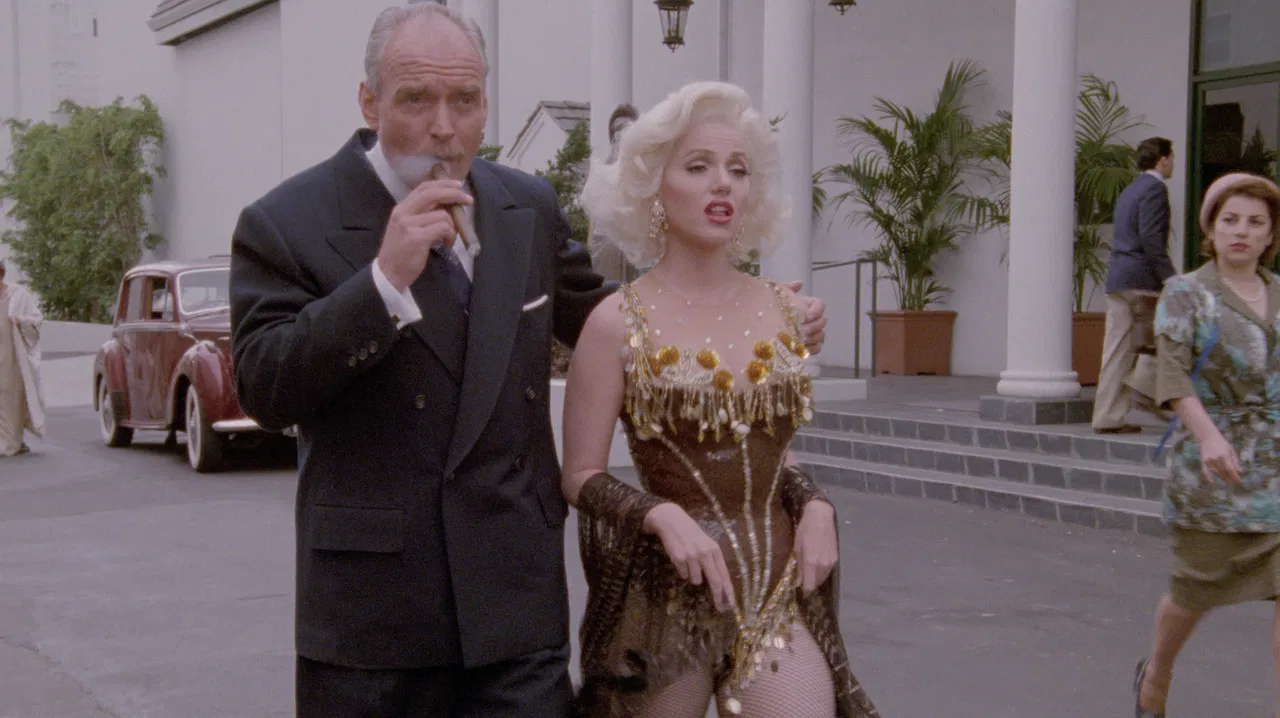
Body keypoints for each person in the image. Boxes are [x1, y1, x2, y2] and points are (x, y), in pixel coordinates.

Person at [228, 5, 829, 716]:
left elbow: (616, 318)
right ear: (369, 101)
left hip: (514, 600)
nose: (444, 127)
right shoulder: (287, 221)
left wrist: (745, 319)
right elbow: (264, 385)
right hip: (373, 615)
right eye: (416, 99)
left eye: (464, 100)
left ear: (486, 104)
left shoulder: (527, 207)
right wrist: (383, 283)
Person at [563, 81, 878, 718]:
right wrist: (660, 514)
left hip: (774, 592)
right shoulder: (615, 322)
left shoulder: (785, 310)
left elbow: (766, 455)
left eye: (737, 169)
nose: (723, 185)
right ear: (653, 186)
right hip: (665, 602)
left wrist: (815, 503)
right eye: (699, 167)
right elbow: (580, 474)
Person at [1132, 172, 1280, 718]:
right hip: (1212, 467)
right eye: (1230, 220)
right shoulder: (1186, 293)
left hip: (1276, 463)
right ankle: (1158, 670)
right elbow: (1172, 376)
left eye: (1256, 222)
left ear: (1270, 235)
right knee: (1193, 590)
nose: (1242, 231)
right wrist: (1210, 436)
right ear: (1211, 229)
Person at [1094, 137, 1178, 434]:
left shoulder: (1130, 190)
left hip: (1119, 278)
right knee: (1159, 341)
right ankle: (1147, 396)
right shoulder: (1155, 189)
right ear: (1163, 160)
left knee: (1116, 350)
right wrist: (1170, 277)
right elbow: (1151, 238)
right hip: (1142, 281)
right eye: (1172, 157)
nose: (1173, 163)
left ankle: (1107, 416)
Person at [0, 260, 45, 457]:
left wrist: (20, 321)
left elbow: (36, 319)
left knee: (10, 400)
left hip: (10, 357)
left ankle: (11, 441)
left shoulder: (17, 294)